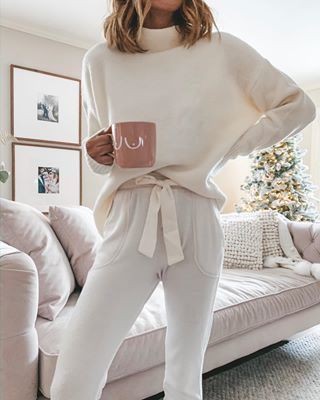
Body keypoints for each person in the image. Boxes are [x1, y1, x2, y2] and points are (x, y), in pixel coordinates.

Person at [50, 1, 316, 399]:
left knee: (184, 375)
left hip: (196, 218)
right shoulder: (99, 60)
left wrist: (229, 148)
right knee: (73, 377)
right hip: (130, 218)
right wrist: (95, 153)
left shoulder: (222, 50)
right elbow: (104, 163)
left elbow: (299, 106)